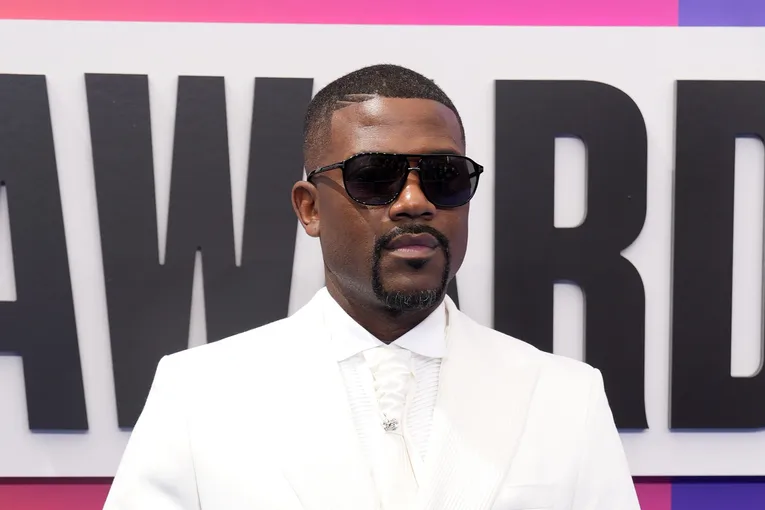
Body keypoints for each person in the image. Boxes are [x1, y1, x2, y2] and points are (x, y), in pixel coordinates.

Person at [103, 64, 641, 510]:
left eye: (445, 176)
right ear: (310, 208)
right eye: (374, 176)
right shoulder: (199, 394)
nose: (414, 201)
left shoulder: (565, 397)